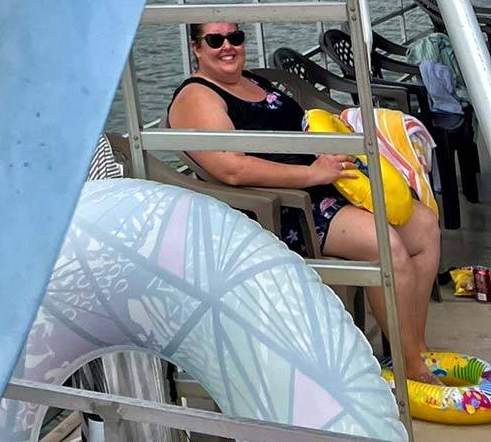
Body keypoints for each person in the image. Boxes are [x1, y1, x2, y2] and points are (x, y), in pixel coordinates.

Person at [168, 19, 441, 387]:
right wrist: (312, 175)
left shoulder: (254, 82)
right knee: (385, 245)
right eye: (215, 40)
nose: (227, 46)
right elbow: (231, 168)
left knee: (423, 226)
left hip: (325, 186)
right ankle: (412, 372)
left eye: (235, 36)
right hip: (284, 207)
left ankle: (410, 348)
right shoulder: (197, 97)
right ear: (196, 48)